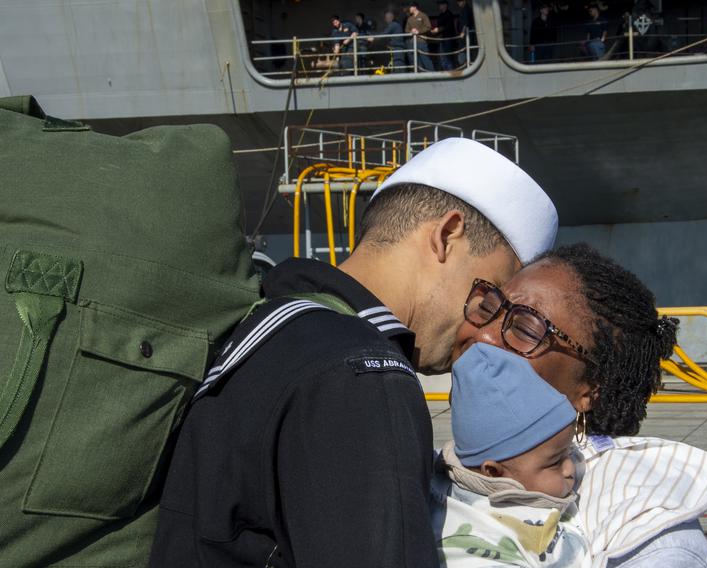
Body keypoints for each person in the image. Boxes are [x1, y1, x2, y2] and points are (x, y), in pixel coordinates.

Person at [149, 138, 559, 567]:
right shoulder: (364, 376)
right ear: (446, 235)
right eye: (488, 296)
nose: (485, 328)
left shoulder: (267, 323)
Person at [453, 243, 707, 567]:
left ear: (589, 389)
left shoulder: (647, 540)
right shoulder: (419, 467)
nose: (482, 337)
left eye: (526, 329)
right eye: (489, 307)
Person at [432, 343, 590, 567]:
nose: (570, 468)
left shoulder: (527, 474)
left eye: (568, 451)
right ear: (494, 471)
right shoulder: (477, 539)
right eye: (555, 462)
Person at [406, 2, 435, 71]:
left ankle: (432, 74)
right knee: (416, 61)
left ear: (415, 7)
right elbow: (406, 29)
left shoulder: (423, 15)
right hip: (412, 42)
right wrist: (411, 31)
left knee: (425, 59)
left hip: (421, 42)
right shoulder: (409, 18)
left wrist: (418, 31)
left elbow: (428, 27)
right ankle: (420, 76)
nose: (409, 9)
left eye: (410, 7)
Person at [431, 0, 458, 70]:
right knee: (442, 58)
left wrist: (438, 29)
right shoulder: (441, 15)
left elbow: (448, 27)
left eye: (440, 4)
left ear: (445, 5)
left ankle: (450, 73)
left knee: (448, 58)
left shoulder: (449, 14)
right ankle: (446, 73)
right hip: (442, 39)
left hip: (448, 39)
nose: (439, 6)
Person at [455, 0, 475, 67]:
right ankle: (465, 65)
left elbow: (466, 23)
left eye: (459, 1)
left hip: (466, 37)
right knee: (465, 52)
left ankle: (464, 66)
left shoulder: (466, 9)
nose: (458, 3)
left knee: (463, 53)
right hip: (465, 37)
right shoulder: (464, 9)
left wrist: (462, 32)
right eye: (458, 2)